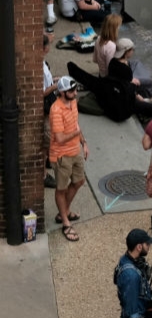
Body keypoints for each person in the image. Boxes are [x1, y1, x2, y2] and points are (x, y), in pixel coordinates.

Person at [67, 38, 152, 122]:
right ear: (126, 52)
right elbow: (128, 92)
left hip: (109, 103)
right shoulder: (126, 71)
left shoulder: (112, 63)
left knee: (91, 81)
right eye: (132, 49)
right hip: (121, 112)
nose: (133, 51)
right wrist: (136, 91)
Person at [50, 76, 87, 242]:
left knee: (79, 181)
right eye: (72, 90)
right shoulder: (56, 110)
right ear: (63, 92)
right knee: (61, 189)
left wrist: (83, 143)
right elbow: (59, 138)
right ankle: (65, 222)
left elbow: (76, 125)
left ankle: (62, 212)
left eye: (75, 89)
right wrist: (76, 133)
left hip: (75, 150)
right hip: (61, 155)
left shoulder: (73, 103)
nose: (76, 92)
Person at [42, 33, 59, 189]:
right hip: (44, 110)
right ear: (45, 48)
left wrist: (55, 80)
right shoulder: (38, 67)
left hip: (49, 109)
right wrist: (54, 87)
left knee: (50, 137)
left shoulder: (43, 63)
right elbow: (41, 92)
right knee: (45, 141)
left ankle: (48, 160)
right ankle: (43, 176)